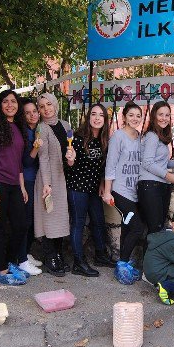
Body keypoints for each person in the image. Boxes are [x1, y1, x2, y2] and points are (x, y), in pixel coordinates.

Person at [0, 89, 30, 285]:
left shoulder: (18, 127)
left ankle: (9, 262)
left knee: (21, 225)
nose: (10, 104)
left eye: (13, 101)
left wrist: (23, 187)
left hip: (14, 185)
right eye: (5, 101)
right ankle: (1, 271)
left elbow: (18, 162)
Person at [65, 103, 117, 276]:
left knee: (98, 221)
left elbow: (103, 167)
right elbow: (69, 167)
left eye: (101, 115)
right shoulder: (78, 138)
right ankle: (79, 263)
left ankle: (100, 255)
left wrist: (102, 183)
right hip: (77, 188)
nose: (97, 118)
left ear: (105, 119)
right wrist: (70, 160)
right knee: (78, 223)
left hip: (94, 189)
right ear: (88, 118)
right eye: (93, 114)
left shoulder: (103, 140)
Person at [102, 101, 146, 283]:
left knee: (128, 227)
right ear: (124, 117)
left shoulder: (141, 137)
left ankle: (125, 263)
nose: (135, 119)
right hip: (120, 191)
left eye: (138, 115)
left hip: (136, 191)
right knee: (137, 227)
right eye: (131, 115)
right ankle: (122, 264)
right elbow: (110, 165)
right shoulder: (118, 137)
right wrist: (107, 191)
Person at [33, 92, 72, 277]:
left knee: (60, 219)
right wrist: (47, 184)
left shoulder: (66, 125)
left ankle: (58, 254)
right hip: (49, 179)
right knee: (49, 218)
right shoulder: (41, 128)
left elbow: (72, 149)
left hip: (63, 177)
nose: (46, 109)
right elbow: (44, 157)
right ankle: (50, 257)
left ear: (55, 105)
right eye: (41, 106)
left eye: (49, 104)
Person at [138, 101, 174, 233]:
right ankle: (149, 254)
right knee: (155, 229)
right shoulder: (152, 136)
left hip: (160, 186)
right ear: (154, 116)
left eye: (167, 115)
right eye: (161, 114)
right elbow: (148, 163)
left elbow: (160, 163)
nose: (164, 118)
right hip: (150, 186)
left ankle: (155, 254)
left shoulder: (160, 137)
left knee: (159, 229)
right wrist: (168, 175)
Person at [20, 99, 44, 272]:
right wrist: (35, 148)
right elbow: (27, 162)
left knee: (34, 219)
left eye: (34, 110)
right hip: (27, 179)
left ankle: (26, 253)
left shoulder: (41, 129)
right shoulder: (23, 132)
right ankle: (21, 258)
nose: (32, 115)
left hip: (40, 179)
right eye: (27, 112)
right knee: (26, 219)